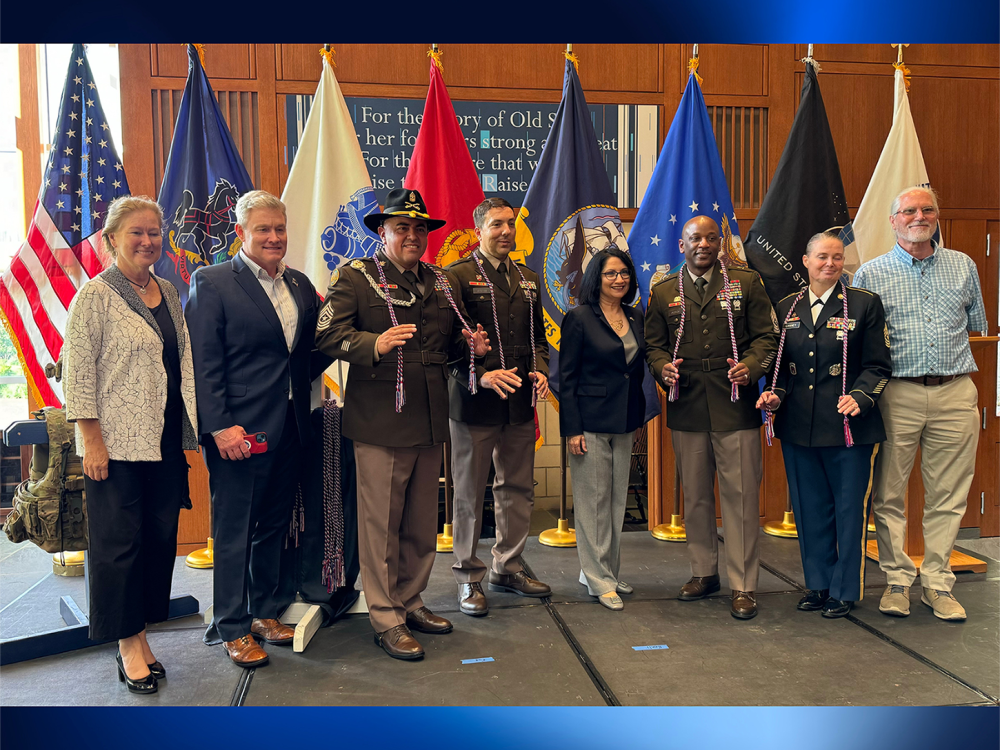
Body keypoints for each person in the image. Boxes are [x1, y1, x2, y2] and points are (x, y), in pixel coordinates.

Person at [315, 188, 490, 660]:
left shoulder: (441, 281)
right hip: (380, 419)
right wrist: (375, 342)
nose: (412, 235)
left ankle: (411, 601)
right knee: (381, 524)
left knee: (419, 522)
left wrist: (471, 349)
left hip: (431, 414)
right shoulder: (355, 277)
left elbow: (449, 347)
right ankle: (385, 616)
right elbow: (327, 334)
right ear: (382, 232)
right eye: (401, 228)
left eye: (419, 228)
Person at [185, 190, 332, 667]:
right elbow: (202, 365)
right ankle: (230, 626)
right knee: (234, 530)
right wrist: (220, 427)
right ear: (241, 233)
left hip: (290, 427)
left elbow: (305, 357)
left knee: (271, 525)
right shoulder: (211, 282)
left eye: (280, 229)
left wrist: (364, 339)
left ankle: (263, 612)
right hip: (238, 433)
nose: (274, 237)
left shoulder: (301, 285)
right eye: (263, 229)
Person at [63, 195, 198, 694]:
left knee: (158, 541)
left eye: (154, 233)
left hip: (162, 442)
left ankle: (141, 631)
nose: (147, 241)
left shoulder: (168, 290)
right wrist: (91, 442)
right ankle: (127, 644)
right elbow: (78, 378)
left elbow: (180, 364)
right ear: (112, 239)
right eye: (136, 233)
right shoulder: (93, 297)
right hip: (114, 447)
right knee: (118, 547)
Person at [853, 186, 987, 622]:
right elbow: (859, 343)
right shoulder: (870, 275)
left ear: (937, 217)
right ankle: (896, 581)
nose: (918, 216)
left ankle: (937, 583)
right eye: (908, 210)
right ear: (892, 221)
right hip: (897, 394)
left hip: (955, 391)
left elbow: (977, 327)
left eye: (927, 209)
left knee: (948, 494)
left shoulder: (964, 266)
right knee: (889, 492)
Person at [645, 215, 778, 620]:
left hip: (733, 402)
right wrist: (662, 367)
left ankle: (743, 584)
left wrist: (753, 367)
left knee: (740, 498)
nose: (702, 244)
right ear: (681, 245)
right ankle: (704, 573)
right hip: (686, 405)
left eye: (710, 237)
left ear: (720, 243)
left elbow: (768, 338)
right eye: (694, 238)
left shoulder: (746, 282)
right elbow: (653, 344)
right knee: (697, 497)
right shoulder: (665, 289)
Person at [756, 232, 892, 618]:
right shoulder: (786, 307)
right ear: (805, 261)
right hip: (800, 426)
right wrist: (774, 395)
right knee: (809, 508)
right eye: (822, 257)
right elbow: (781, 370)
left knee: (849, 510)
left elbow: (879, 365)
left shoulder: (864, 304)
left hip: (849, 428)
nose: (830, 264)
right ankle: (817, 584)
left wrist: (861, 397)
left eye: (836, 257)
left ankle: (844, 589)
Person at [445, 198, 551, 617]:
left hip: (520, 403)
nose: (505, 231)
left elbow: (538, 338)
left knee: (517, 489)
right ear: (478, 231)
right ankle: (468, 579)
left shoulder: (527, 278)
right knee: (469, 493)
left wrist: (541, 370)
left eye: (510, 224)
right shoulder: (456, 277)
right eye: (496, 225)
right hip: (474, 402)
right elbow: (448, 343)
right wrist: (482, 373)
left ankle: (506, 567)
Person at [559, 248, 648, 611]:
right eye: (611, 273)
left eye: (624, 273)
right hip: (590, 421)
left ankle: (604, 570)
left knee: (614, 501)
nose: (619, 279)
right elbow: (566, 377)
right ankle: (599, 580)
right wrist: (572, 429)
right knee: (593, 502)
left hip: (626, 418)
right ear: (597, 277)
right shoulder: (579, 317)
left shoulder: (635, 315)